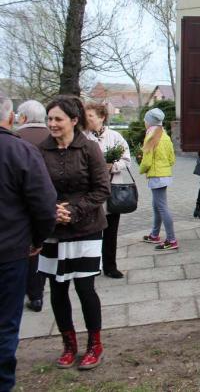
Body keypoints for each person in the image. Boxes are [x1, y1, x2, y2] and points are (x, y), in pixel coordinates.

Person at [38, 95, 110, 370]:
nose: (52, 124)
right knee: (57, 288)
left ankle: (95, 344)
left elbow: (102, 189)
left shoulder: (89, 149)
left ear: (74, 120)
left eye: (58, 119)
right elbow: (33, 187)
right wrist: (51, 209)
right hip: (53, 230)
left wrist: (75, 210)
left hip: (86, 228)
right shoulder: (40, 151)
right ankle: (69, 345)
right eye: (49, 119)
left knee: (85, 287)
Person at [0, 95, 56, 389]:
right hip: (10, 251)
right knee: (5, 325)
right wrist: (37, 238)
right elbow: (44, 204)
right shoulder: (19, 150)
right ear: (11, 118)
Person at [83, 103, 131, 279]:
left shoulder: (115, 137)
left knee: (111, 232)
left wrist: (113, 166)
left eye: (90, 116)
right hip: (90, 194)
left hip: (111, 192)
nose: (87, 119)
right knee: (91, 232)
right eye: (85, 115)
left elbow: (127, 160)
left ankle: (110, 266)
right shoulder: (82, 138)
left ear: (102, 117)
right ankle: (92, 265)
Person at [14, 100, 51, 313]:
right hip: (49, 201)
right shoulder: (53, 136)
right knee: (40, 248)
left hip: (20, 206)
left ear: (23, 117)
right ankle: (37, 295)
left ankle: (20, 292)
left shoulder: (15, 138)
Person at [140, 108, 178, 251]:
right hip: (165, 174)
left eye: (145, 120)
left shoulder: (150, 136)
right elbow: (172, 159)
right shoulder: (165, 136)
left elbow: (146, 161)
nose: (144, 123)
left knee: (161, 207)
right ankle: (154, 235)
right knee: (157, 205)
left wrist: (141, 170)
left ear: (149, 122)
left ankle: (171, 240)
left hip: (156, 176)